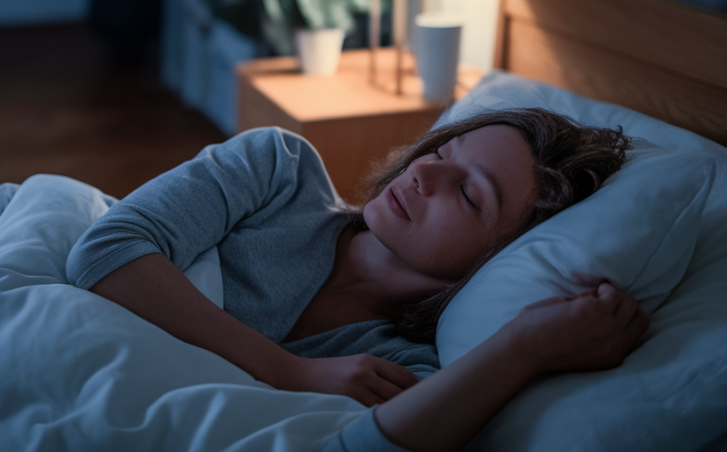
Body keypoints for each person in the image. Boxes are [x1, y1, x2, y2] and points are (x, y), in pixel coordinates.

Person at [66, 108, 645, 452]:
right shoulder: (278, 170)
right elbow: (105, 250)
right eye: (445, 147)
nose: (426, 171)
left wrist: (526, 347)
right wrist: (287, 371)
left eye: (469, 193)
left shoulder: (405, 363)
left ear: (507, 257)